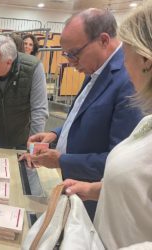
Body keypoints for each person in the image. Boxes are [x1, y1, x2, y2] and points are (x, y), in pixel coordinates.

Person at [21, 8, 143, 220]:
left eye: (74, 53)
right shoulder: (96, 68)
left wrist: (63, 161)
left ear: (104, 40)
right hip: (76, 190)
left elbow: (118, 161)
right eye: (66, 54)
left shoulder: (128, 81)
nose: (70, 61)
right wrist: (56, 134)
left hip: (95, 202)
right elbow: (84, 116)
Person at [63, 5, 152, 249]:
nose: (122, 61)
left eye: (126, 54)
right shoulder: (147, 122)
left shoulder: (123, 85)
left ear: (145, 60)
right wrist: (93, 189)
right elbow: (136, 184)